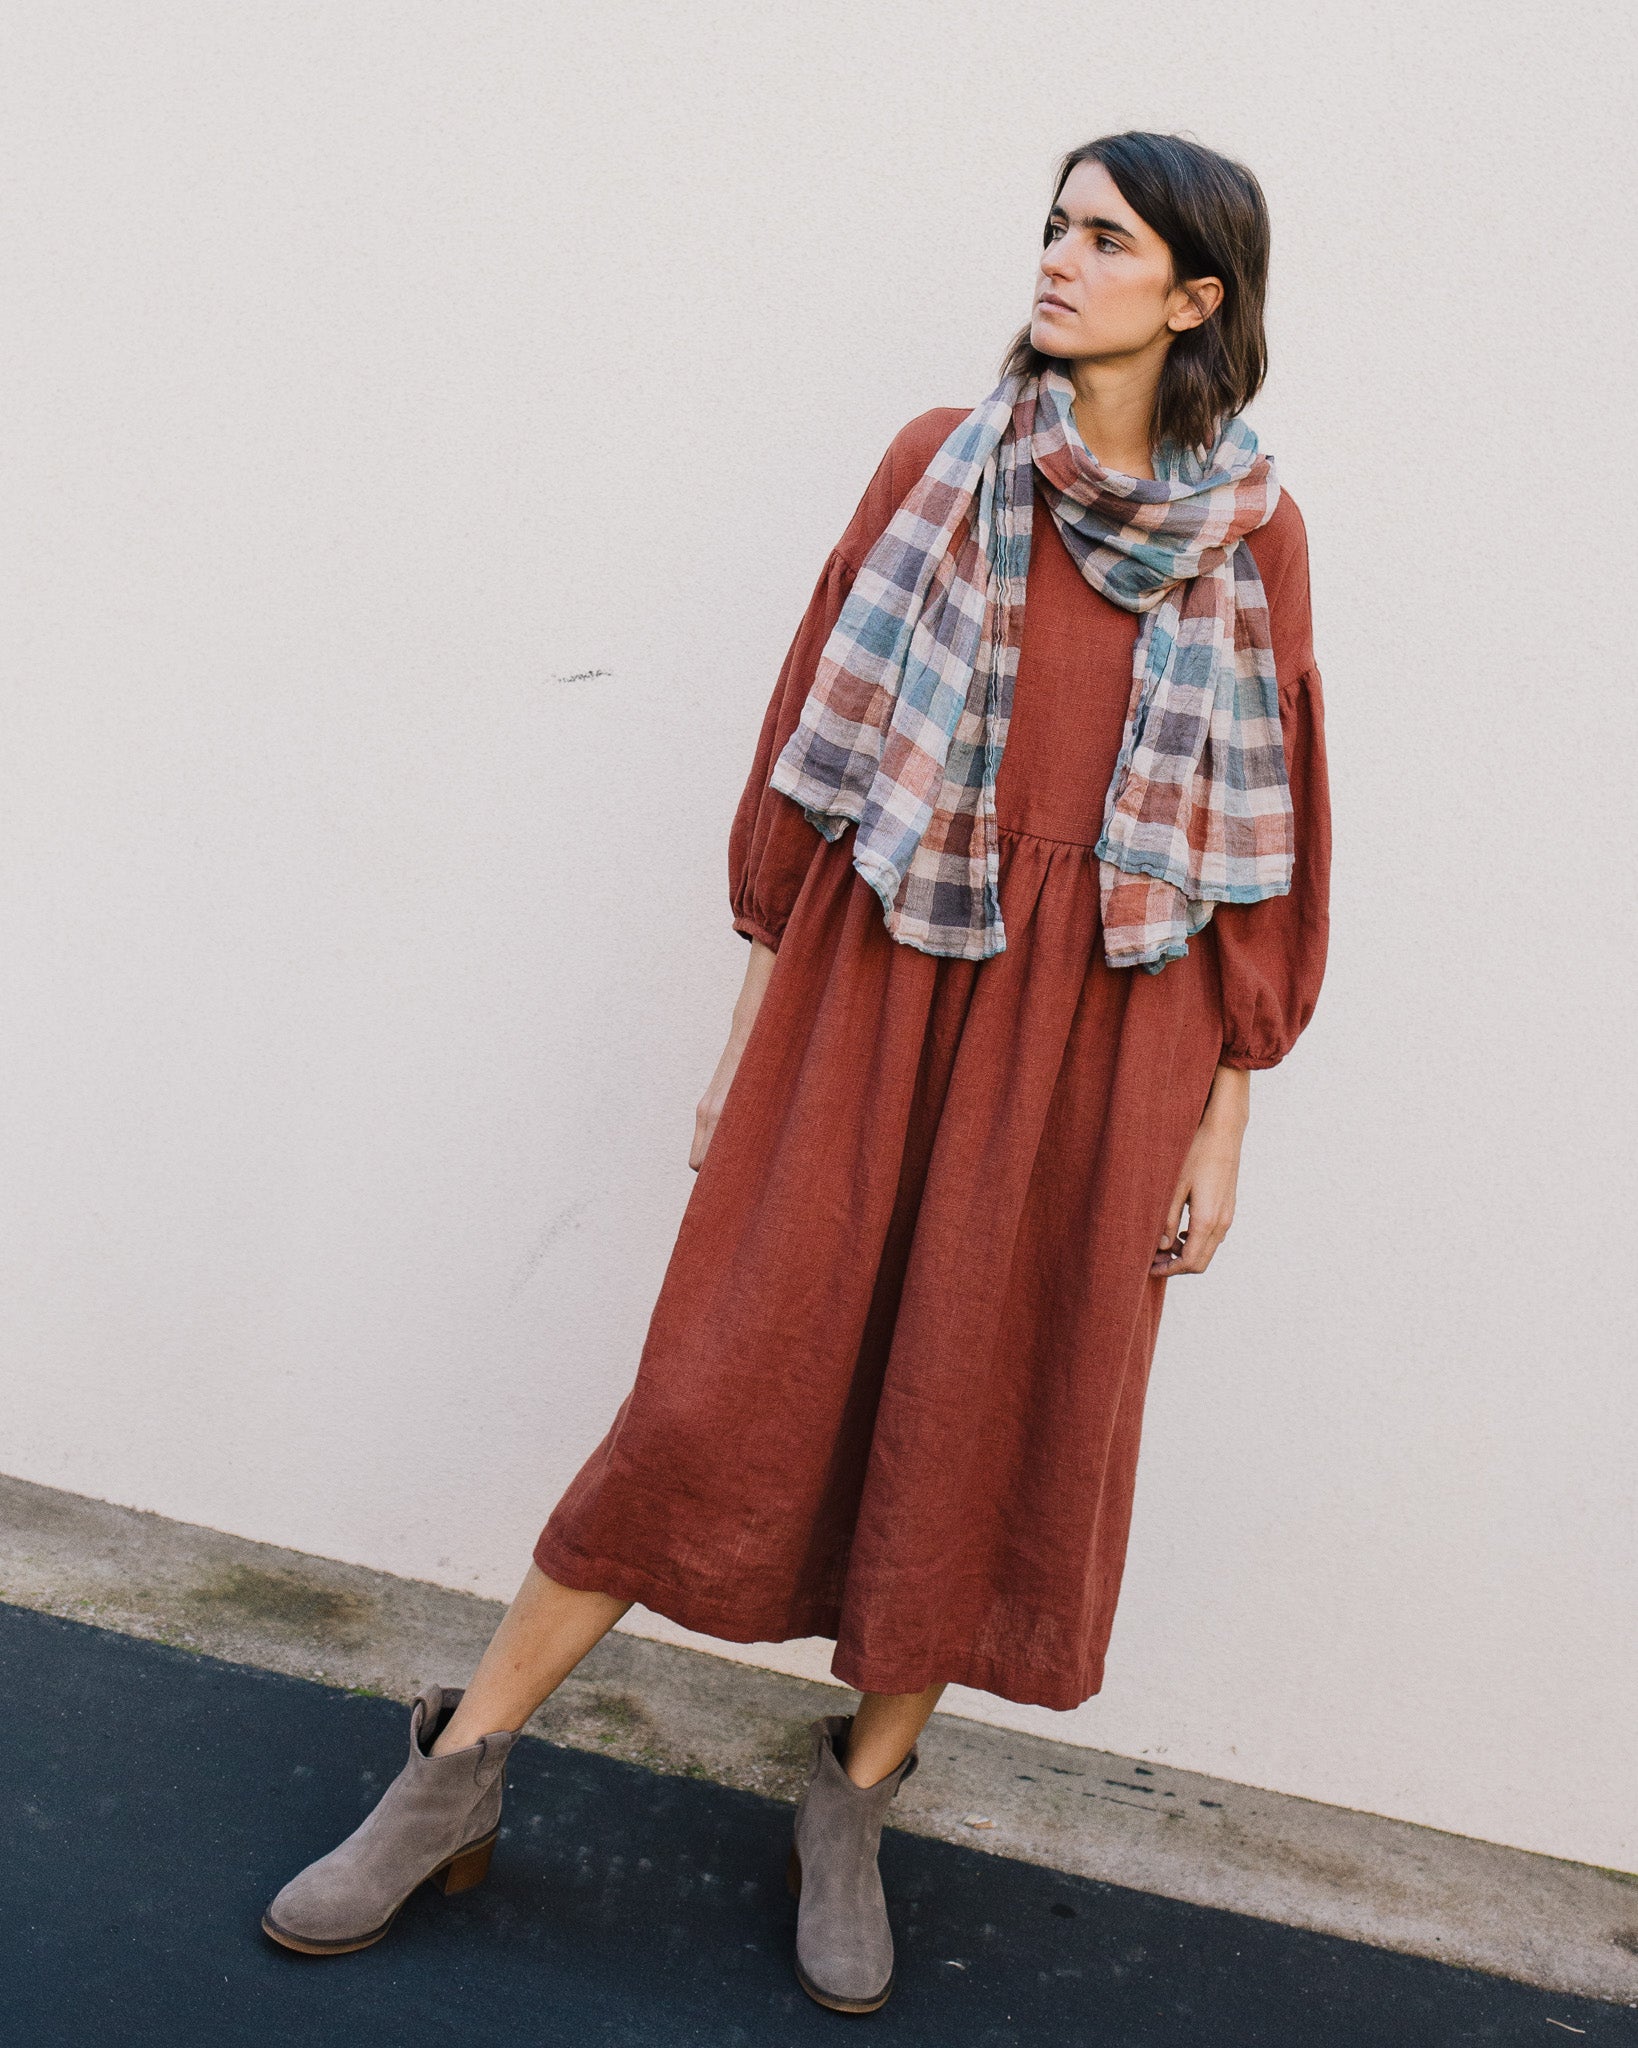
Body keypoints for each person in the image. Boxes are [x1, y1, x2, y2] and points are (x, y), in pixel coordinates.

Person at [260, 129, 1331, 2016]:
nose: (1057, 258)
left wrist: (1223, 1115)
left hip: (1105, 1023)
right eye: (1054, 225)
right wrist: (747, 1030)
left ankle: (853, 1805)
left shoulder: (1253, 528)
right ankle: (455, 1767)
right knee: (713, 1392)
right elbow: (811, 747)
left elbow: (1269, 828)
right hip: (884, 966)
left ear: (1195, 297)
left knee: (981, 1409)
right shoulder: (940, 463)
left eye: (1104, 238)